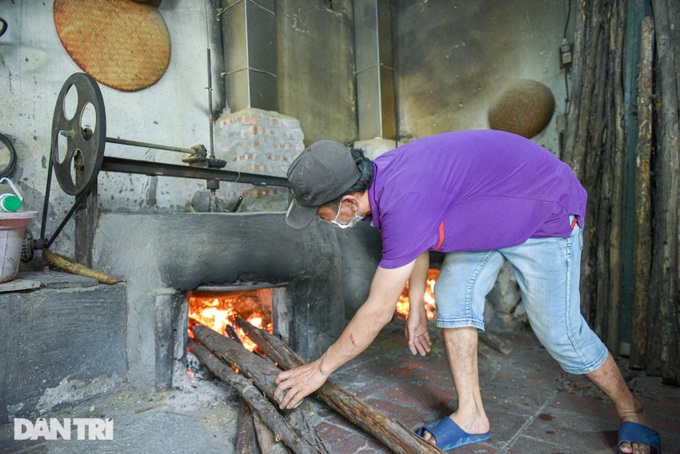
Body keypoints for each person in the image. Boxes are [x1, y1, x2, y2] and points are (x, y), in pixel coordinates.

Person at [274, 130, 661, 453]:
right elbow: (415, 241)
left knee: (560, 334)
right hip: (494, 213)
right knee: (454, 293)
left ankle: (631, 411)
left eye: (319, 214)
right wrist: (419, 311)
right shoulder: (380, 179)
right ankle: (472, 416)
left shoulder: (403, 196)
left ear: (346, 201)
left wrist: (319, 370)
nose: (321, 222)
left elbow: (377, 311)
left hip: (545, 211)